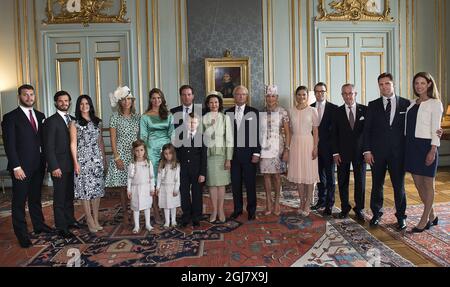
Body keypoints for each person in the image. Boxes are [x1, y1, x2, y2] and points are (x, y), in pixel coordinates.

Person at [1, 84, 53, 248]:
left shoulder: (40, 115)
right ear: (19, 96)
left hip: (38, 165)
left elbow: (42, 141)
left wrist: (45, 163)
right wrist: (16, 167)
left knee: (35, 198)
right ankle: (22, 234)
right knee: (19, 202)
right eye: (26, 95)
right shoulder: (10, 117)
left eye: (32, 94)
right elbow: (9, 145)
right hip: (21, 168)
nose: (29, 98)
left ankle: (39, 225)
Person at [363, 73, 410, 230]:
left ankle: (401, 217)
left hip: (399, 153)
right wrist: (367, 151)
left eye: (387, 83)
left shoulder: (406, 104)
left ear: (393, 84)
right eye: (381, 84)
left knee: (399, 186)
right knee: (377, 185)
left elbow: (411, 129)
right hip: (377, 153)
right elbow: (367, 131)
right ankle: (376, 214)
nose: (384, 87)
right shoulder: (373, 105)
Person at [405, 72, 443, 233]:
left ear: (429, 84)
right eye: (416, 83)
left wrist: (433, 150)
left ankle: (424, 219)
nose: (419, 86)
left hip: (427, 146)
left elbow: (436, 129)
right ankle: (433, 214)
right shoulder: (411, 103)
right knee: (418, 184)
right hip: (411, 146)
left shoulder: (436, 103)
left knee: (428, 184)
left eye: (422, 83)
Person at [43, 91, 83, 239]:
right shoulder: (51, 121)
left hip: (72, 165)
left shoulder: (73, 120)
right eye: (61, 101)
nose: (64, 103)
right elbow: (48, 146)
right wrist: (54, 167)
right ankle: (61, 227)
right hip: (59, 166)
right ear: (56, 103)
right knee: (59, 197)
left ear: (70, 102)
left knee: (69, 196)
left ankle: (70, 220)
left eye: (66, 101)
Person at [69, 95, 106, 233]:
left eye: (87, 103)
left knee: (97, 191)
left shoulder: (97, 122)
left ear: (90, 105)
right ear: (78, 106)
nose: (84, 106)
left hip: (96, 160)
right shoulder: (74, 123)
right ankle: (89, 219)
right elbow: (73, 144)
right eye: (81, 104)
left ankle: (96, 219)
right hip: (83, 161)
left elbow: (100, 142)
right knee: (85, 191)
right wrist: (75, 162)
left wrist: (103, 160)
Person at [105, 86, 140, 226]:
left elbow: (140, 137)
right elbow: (113, 139)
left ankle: (134, 211)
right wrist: (116, 157)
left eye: (129, 99)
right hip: (121, 155)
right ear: (120, 102)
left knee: (135, 185)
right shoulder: (114, 117)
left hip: (134, 154)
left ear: (132, 101)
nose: (126, 102)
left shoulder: (137, 117)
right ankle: (125, 213)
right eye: (124, 100)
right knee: (123, 187)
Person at [332, 84, 367, 221]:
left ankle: (359, 209)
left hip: (360, 153)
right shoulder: (337, 112)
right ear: (342, 95)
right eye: (345, 94)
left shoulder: (365, 110)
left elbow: (368, 134)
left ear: (355, 93)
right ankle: (345, 208)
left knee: (360, 182)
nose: (348, 96)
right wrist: (335, 153)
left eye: (350, 93)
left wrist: (367, 151)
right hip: (342, 153)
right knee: (342, 182)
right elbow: (334, 134)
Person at [226, 85, 261, 221]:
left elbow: (257, 133)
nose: (241, 96)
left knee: (250, 184)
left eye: (243, 94)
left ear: (247, 96)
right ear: (234, 96)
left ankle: (252, 210)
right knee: (235, 184)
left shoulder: (254, 112)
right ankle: (237, 209)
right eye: (238, 94)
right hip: (233, 155)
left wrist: (256, 153)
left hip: (249, 155)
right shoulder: (227, 113)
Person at [140, 88, 174, 224]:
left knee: (167, 180)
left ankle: (168, 207)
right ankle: (156, 211)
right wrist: (145, 153)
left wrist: (171, 151)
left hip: (167, 151)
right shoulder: (145, 116)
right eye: (154, 98)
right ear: (150, 100)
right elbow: (143, 136)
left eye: (159, 98)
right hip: (152, 151)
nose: (156, 100)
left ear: (162, 99)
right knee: (154, 182)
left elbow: (172, 133)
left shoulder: (169, 115)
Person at [288, 86, 320, 216]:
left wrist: (315, 147)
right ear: (295, 96)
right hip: (295, 143)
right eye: (299, 94)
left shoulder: (313, 110)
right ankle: (301, 201)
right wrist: (288, 147)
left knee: (309, 174)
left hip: (308, 143)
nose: (301, 97)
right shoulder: (290, 111)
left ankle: (307, 203)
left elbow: (316, 131)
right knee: (299, 175)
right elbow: (289, 130)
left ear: (307, 96)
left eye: (304, 95)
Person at [259, 85, 290, 216]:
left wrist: (287, 150)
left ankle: (277, 202)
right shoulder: (261, 113)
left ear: (276, 97)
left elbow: (288, 133)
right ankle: (268, 203)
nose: (270, 98)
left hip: (278, 147)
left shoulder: (283, 112)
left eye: (273, 96)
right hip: (264, 147)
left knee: (277, 176)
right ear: (265, 98)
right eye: (268, 96)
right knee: (266, 175)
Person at [203, 92, 233, 223]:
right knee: (212, 184)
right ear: (208, 105)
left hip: (222, 155)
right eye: (211, 102)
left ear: (219, 104)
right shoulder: (203, 118)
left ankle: (221, 210)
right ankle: (214, 210)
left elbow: (230, 139)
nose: (214, 104)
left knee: (221, 184)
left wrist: (228, 158)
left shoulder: (225, 118)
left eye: (216, 102)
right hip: (209, 155)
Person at [175, 112, 207, 227]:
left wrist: (203, 173)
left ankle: (196, 216)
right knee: (184, 193)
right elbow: (177, 153)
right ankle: (186, 215)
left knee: (197, 193)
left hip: (197, 171)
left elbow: (203, 157)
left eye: (194, 122)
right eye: (189, 122)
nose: (192, 124)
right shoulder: (180, 136)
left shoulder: (201, 137)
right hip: (183, 170)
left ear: (198, 124)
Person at [310, 82, 338, 216]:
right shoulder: (310, 108)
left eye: (322, 91)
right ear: (314, 93)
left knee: (330, 178)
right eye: (317, 91)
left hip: (329, 149)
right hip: (315, 148)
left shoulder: (334, 108)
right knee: (319, 177)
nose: (320, 94)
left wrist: (335, 151)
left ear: (326, 92)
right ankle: (321, 200)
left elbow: (336, 132)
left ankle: (329, 204)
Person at [127, 140, 155, 234]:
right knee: (136, 207)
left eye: (141, 150)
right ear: (134, 152)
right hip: (136, 189)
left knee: (147, 206)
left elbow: (152, 177)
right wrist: (129, 190)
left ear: (145, 151)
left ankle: (147, 224)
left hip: (146, 188)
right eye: (137, 150)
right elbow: (129, 178)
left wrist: (152, 188)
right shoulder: (132, 164)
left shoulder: (148, 163)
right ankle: (137, 225)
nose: (139, 153)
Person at [156, 143, 181, 228]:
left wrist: (176, 189)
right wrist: (158, 187)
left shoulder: (176, 165)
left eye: (170, 153)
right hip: (164, 188)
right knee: (166, 205)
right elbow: (159, 178)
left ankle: (173, 220)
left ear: (173, 154)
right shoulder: (162, 164)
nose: (168, 156)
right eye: (166, 154)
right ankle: (167, 221)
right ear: (163, 154)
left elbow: (177, 178)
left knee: (173, 205)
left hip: (172, 187)